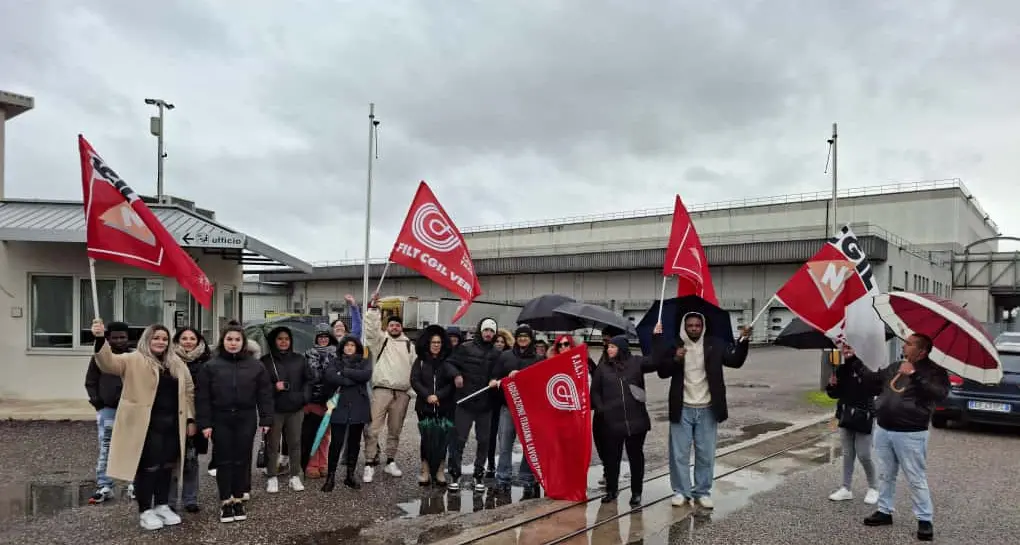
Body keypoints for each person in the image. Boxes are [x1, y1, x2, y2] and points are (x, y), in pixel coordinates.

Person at [89, 319, 195, 532]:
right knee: (148, 468)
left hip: (172, 424)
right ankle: (145, 510)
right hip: (145, 426)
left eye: (165, 338)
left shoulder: (177, 363)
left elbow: (189, 391)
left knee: (166, 467)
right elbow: (107, 362)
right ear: (147, 339)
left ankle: (162, 505)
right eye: (156, 338)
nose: (161, 342)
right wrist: (100, 338)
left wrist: (190, 419)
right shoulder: (133, 359)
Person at [852, 333, 949, 542]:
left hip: (911, 433)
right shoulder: (896, 366)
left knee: (915, 477)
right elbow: (873, 381)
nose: (904, 346)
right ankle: (884, 511)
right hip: (885, 429)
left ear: (922, 351)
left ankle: (925, 520)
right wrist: (854, 359)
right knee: (886, 474)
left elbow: (939, 394)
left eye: (909, 344)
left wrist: (915, 375)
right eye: (905, 343)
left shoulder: (935, 372)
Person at [654, 314, 751, 509]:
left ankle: (702, 492)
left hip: (707, 407)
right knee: (679, 454)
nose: (694, 328)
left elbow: (734, 360)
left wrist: (743, 340)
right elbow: (662, 371)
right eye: (690, 325)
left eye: (697, 325)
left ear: (703, 326)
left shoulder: (715, 343)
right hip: (682, 407)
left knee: (705, 454)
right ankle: (681, 492)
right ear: (685, 327)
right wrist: (675, 358)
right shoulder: (676, 344)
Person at [196, 325, 274, 524]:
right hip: (220, 418)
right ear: (223, 341)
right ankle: (225, 500)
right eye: (229, 339)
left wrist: (266, 418)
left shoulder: (255, 366)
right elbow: (202, 397)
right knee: (224, 460)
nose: (233, 343)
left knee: (241, 458)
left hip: (246, 417)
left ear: (243, 342)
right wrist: (205, 423)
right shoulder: (211, 366)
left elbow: (264, 394)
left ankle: (238, 498)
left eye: (237, 340)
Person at [591, 335, 659, 506]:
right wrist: (602, 409)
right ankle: (612, 490)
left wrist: (656, 338)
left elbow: (655, 361)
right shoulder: (602, 368)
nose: (609, 350)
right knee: (611, 458)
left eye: (613, 347)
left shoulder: (636, 362)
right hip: (611, 422)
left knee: (636, 457)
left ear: (621, 348)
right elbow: (595, 392)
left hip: (636, 421)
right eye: (608, 347)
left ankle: (636, 492)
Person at [362, 292, 417, 483]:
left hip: (401, 394)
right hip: (381, 390)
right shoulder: (380, 341)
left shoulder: (410, 345)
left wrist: (412, 391)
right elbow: (370, 329)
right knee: (373, 429)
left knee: (395, 430)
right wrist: (373, 309)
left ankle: (390, 461)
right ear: (388, 326)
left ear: (401, 327)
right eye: (392, 325)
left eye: (397, 325)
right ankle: (369, 463)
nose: (394, 327)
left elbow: (415, 369)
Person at [446, 317, 501, 492]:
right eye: (486, 330)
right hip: (465, 402)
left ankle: (479, 475)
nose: (488, 334)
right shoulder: (465, 348)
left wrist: (495, 380)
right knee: (459, 440)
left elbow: (500, 373)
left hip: (486, 406)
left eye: (492, 331)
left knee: (484, 441)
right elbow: (449, 363)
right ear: (480, 330)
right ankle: (455, 474)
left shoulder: (497, 353)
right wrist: (456, 375)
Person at [84, 320, 134, 505]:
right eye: (115, 337)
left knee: (133, 446)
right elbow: (90, 381)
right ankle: (105, 484)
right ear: (108, 338)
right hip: (109, 410)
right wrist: (98, 403)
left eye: (123, 337)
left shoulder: (134, 357)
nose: (119, 341)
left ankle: (134, 483)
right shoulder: (100, 357)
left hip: (130, 411)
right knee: (107, 447)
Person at [261, 326, 314, 494]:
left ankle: (295, 476)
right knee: (273, 445)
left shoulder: (299, 359)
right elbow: (259, 387)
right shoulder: (265, 361)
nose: (283, 342)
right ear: (273, 341)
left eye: (286, 339)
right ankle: (272, 476)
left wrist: (303, 397)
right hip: (275, 409)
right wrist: (273, 387)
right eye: (279, 339)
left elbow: (309, 380)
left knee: (295, 443)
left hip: (295, 408)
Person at [826, 342, 879, 505]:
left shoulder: (868, 367)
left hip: (864, 416)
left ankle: (874, 487)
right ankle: (846, 488)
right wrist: (832, 385)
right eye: (845, 347)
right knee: (848, 454)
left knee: (864, 454)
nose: (846, 350)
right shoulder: (842, 369)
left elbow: (873, 389)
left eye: (850, 347)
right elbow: (836, 395)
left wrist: (857, 366)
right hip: (845, 415)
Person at [491, 325, 541, 496]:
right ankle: (503, 478)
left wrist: (522, 375)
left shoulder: (538, 359)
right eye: (520, 336)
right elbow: (495, 376)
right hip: (508, 407)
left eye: (526, 336)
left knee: (529, 445)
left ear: (531, 338)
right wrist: (495, 381)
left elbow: (540, 382)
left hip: (528, 409)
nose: (522, 339)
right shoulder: (505, 356)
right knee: (505, 444)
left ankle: (527, 477)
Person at [321, 335, 373, 491]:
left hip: (358, 405)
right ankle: (331, 477)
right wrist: (351, 378)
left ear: (357, 347)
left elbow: (365, 375)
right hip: (340, 406)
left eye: (352, 345)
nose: (349, 347)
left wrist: (344, 372)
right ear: (342, 347)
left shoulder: (363, 361)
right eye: (346, 345)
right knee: (336, 443)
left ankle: (350, 476)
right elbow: (330, 377)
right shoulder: (334, 361)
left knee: (354, 442)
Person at [169, 327, 211, 513]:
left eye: (192, 338)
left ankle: (190, 499)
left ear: (198, 340)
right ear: (177, 341)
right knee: (170, 462)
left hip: (195, 417)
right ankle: (169, 501)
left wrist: (195, 420)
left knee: (191, 461)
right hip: (171, 417)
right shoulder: (168, 360)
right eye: (183, 338)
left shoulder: (207, 362)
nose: (188, 341)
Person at [410, 325, 454, 486]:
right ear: (428, 344)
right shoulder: (420, 361)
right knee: (426, 439)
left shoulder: (448, 361)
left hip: (444, 406)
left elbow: (451, 383)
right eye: (433, 342)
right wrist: (427, 395)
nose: (436, 345)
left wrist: (439, 395)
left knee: (443, 439)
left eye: (439, 342)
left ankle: (441, 470)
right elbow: (414, 380)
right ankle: (425, 470)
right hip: (424, 406)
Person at [301, 323, 338, 479]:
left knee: (325, 434)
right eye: (320, 337)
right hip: (313, 400)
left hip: (330, 400)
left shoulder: (337, 355)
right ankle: (311, 464)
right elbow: (304, 377)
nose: (323, 339)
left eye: (326, 337)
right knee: (312, 433)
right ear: (316, 338)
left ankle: (323, 463)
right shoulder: (308, 354)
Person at [484, 328, 514, 478]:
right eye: (497, 341)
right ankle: (490, 462)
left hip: (502, 400)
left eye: (502, 342)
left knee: (503, 435)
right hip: (490, 399)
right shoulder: (488, 355)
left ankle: (501, 463)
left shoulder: (509, 357)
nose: (500, 344)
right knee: (490, 433)